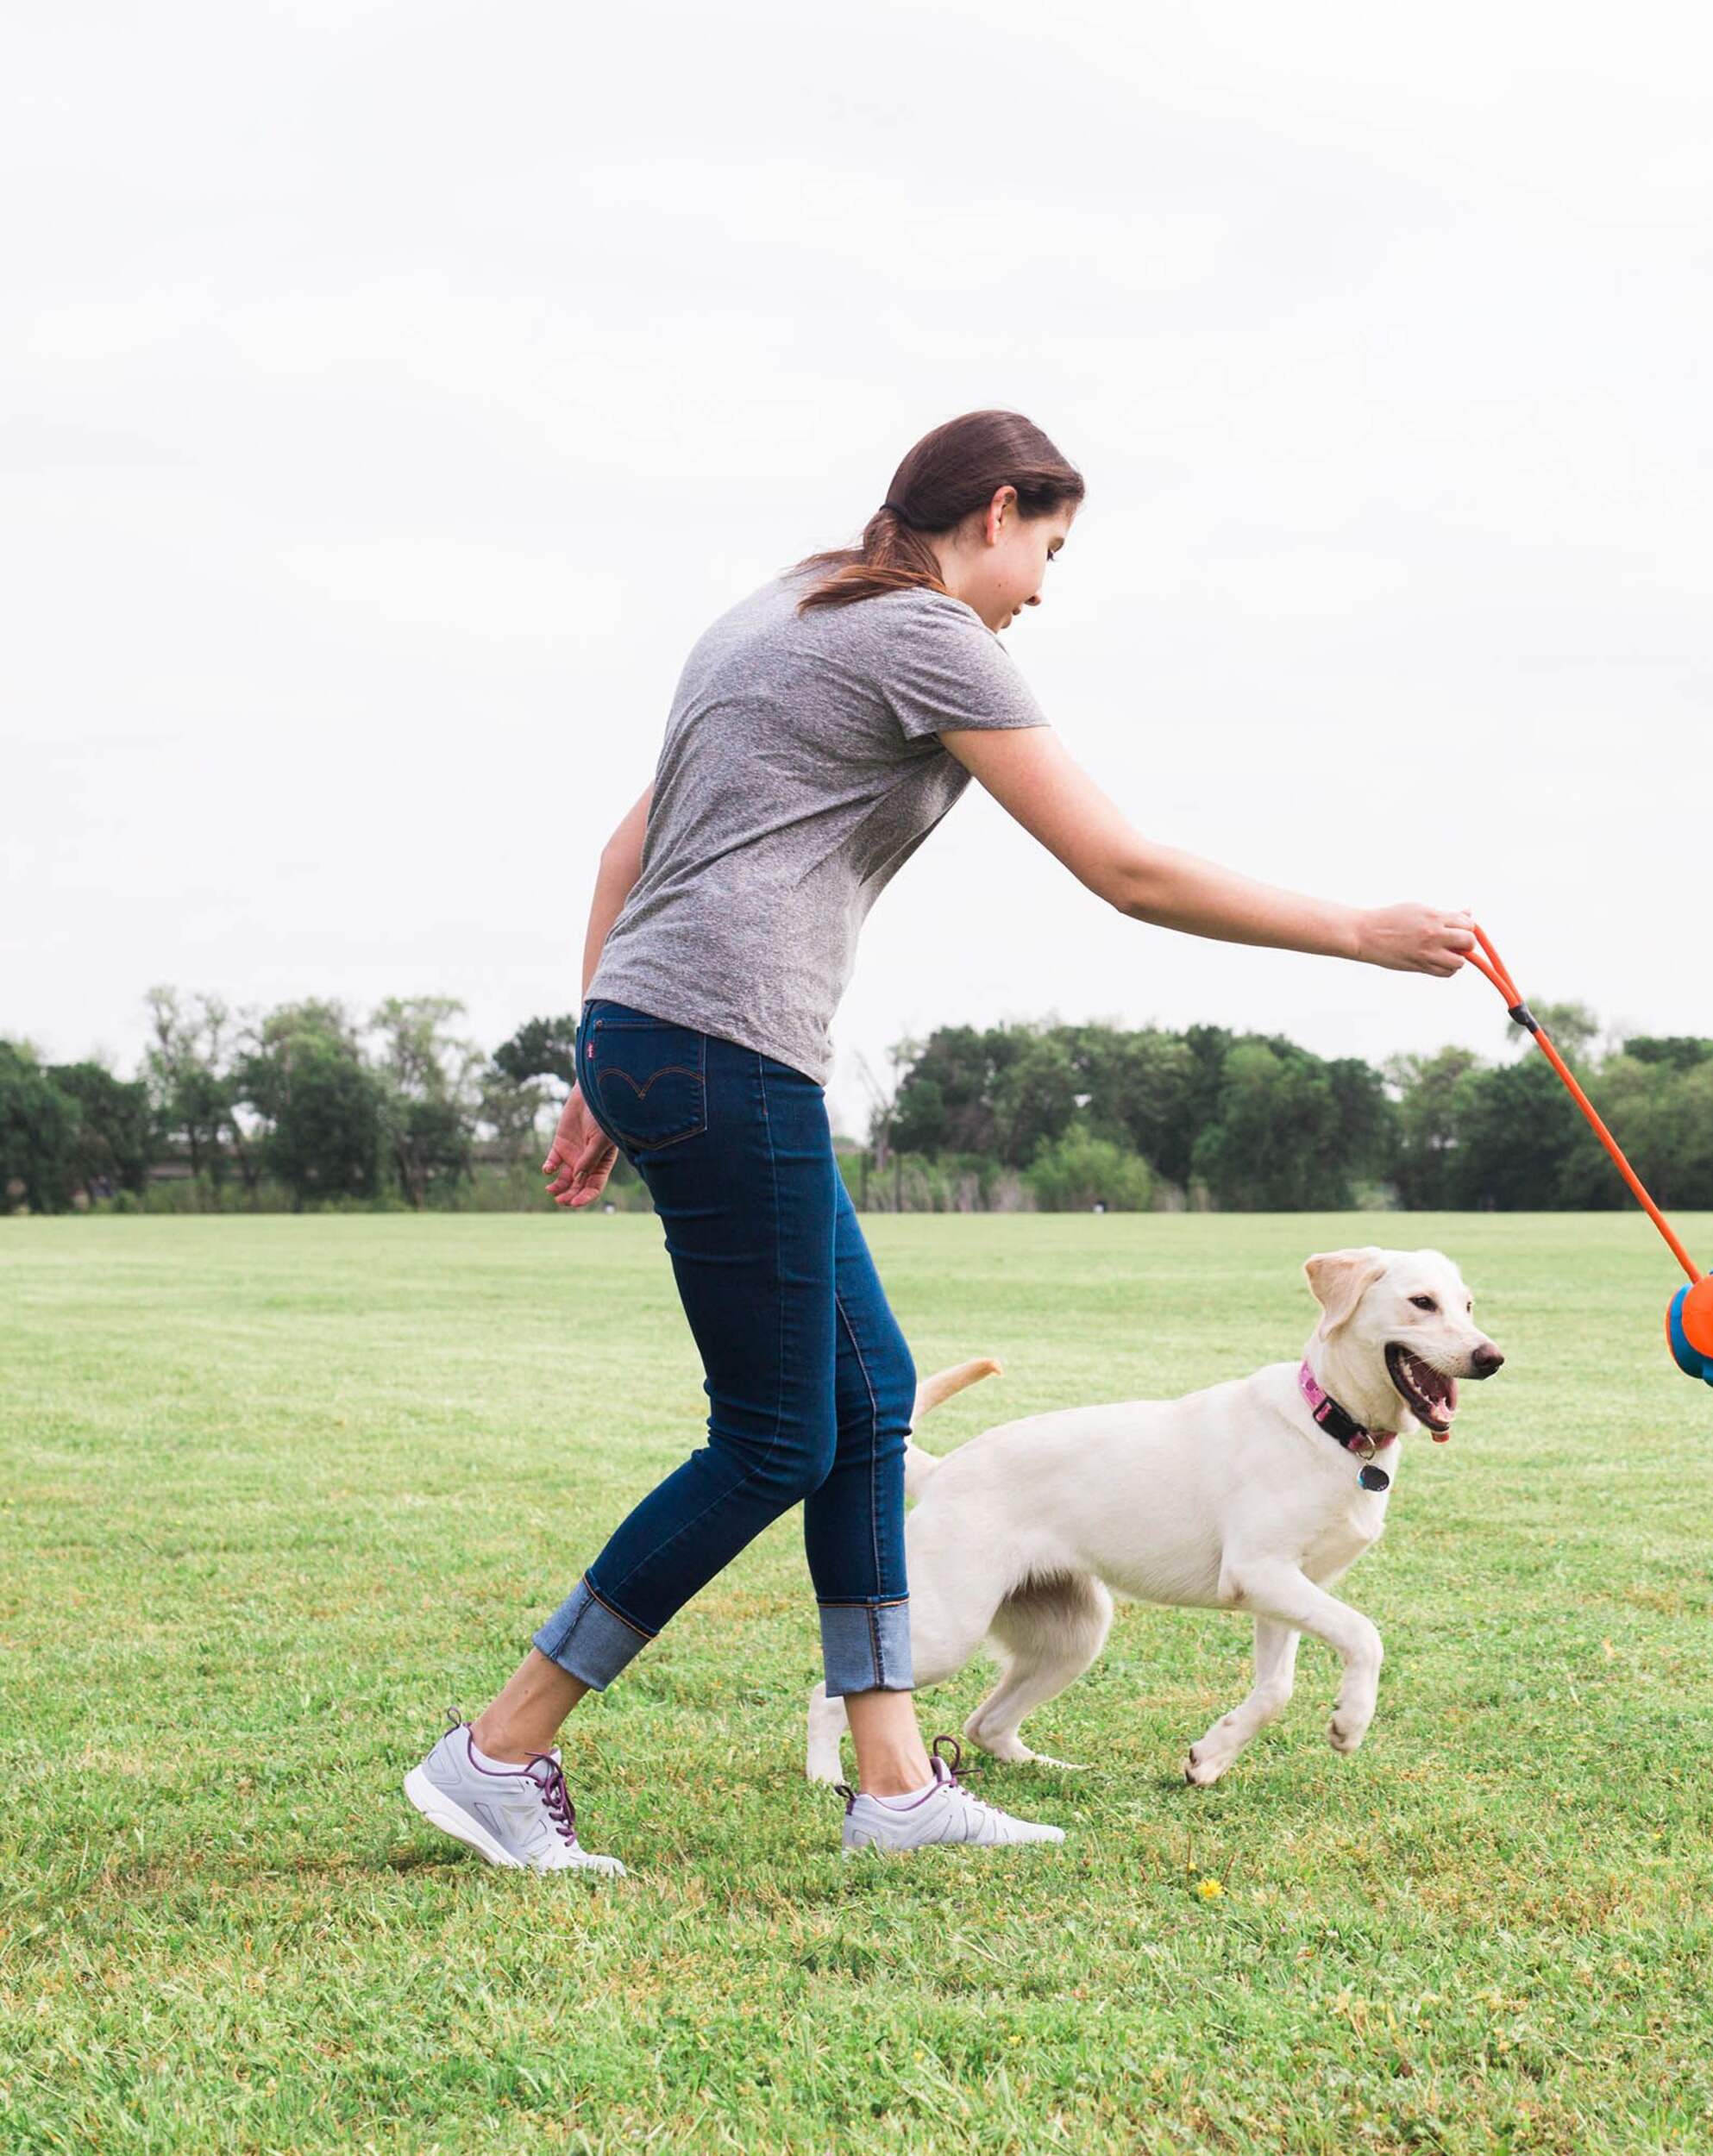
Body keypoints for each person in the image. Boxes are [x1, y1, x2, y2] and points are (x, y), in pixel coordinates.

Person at [402, 409, 1478, 1870]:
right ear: (994, 512)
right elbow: (1123, 867)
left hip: (663, 1031)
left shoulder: (771, 611)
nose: (1043, 584)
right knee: (777, 1434)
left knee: (867, 1396)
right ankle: (500, 1748)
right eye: (1048, 544)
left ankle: (896, 1786)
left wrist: (601, 1057)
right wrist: (1361, 930)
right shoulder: (924, 633)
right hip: (723, 1043)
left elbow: (625, 857)